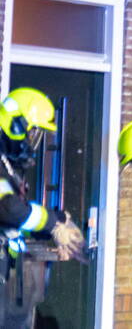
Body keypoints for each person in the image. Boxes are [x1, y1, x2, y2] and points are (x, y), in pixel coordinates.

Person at [0, 88, 86, 327]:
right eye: (33, 131)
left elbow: (14, 219)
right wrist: (53, 223)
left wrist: (54, 229)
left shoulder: (8, 166)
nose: (33, 141)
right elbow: (9, 209)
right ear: (16, 125)